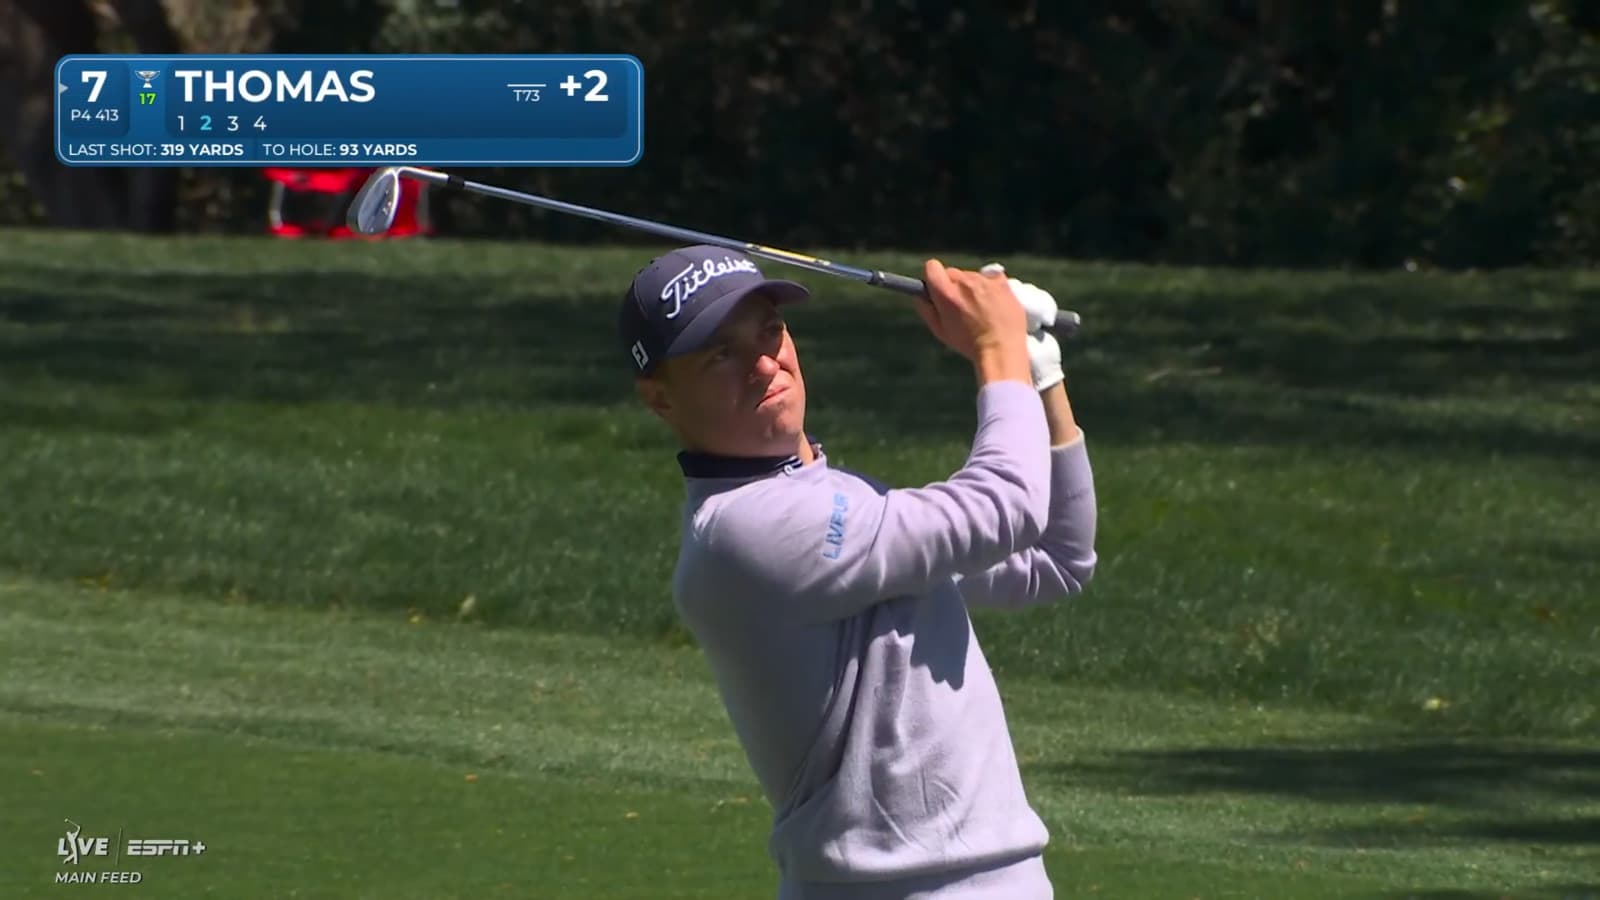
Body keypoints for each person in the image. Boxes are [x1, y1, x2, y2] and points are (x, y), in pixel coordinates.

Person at [617, 244, 1098, 899]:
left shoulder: (837, 500)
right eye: (721, 354)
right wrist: (996, 346)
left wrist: (1041, 376)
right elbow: (1004, 507)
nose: (765, 363)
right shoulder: (748, 529)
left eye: (770, 331)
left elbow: (1052, 560)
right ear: (660, 398)